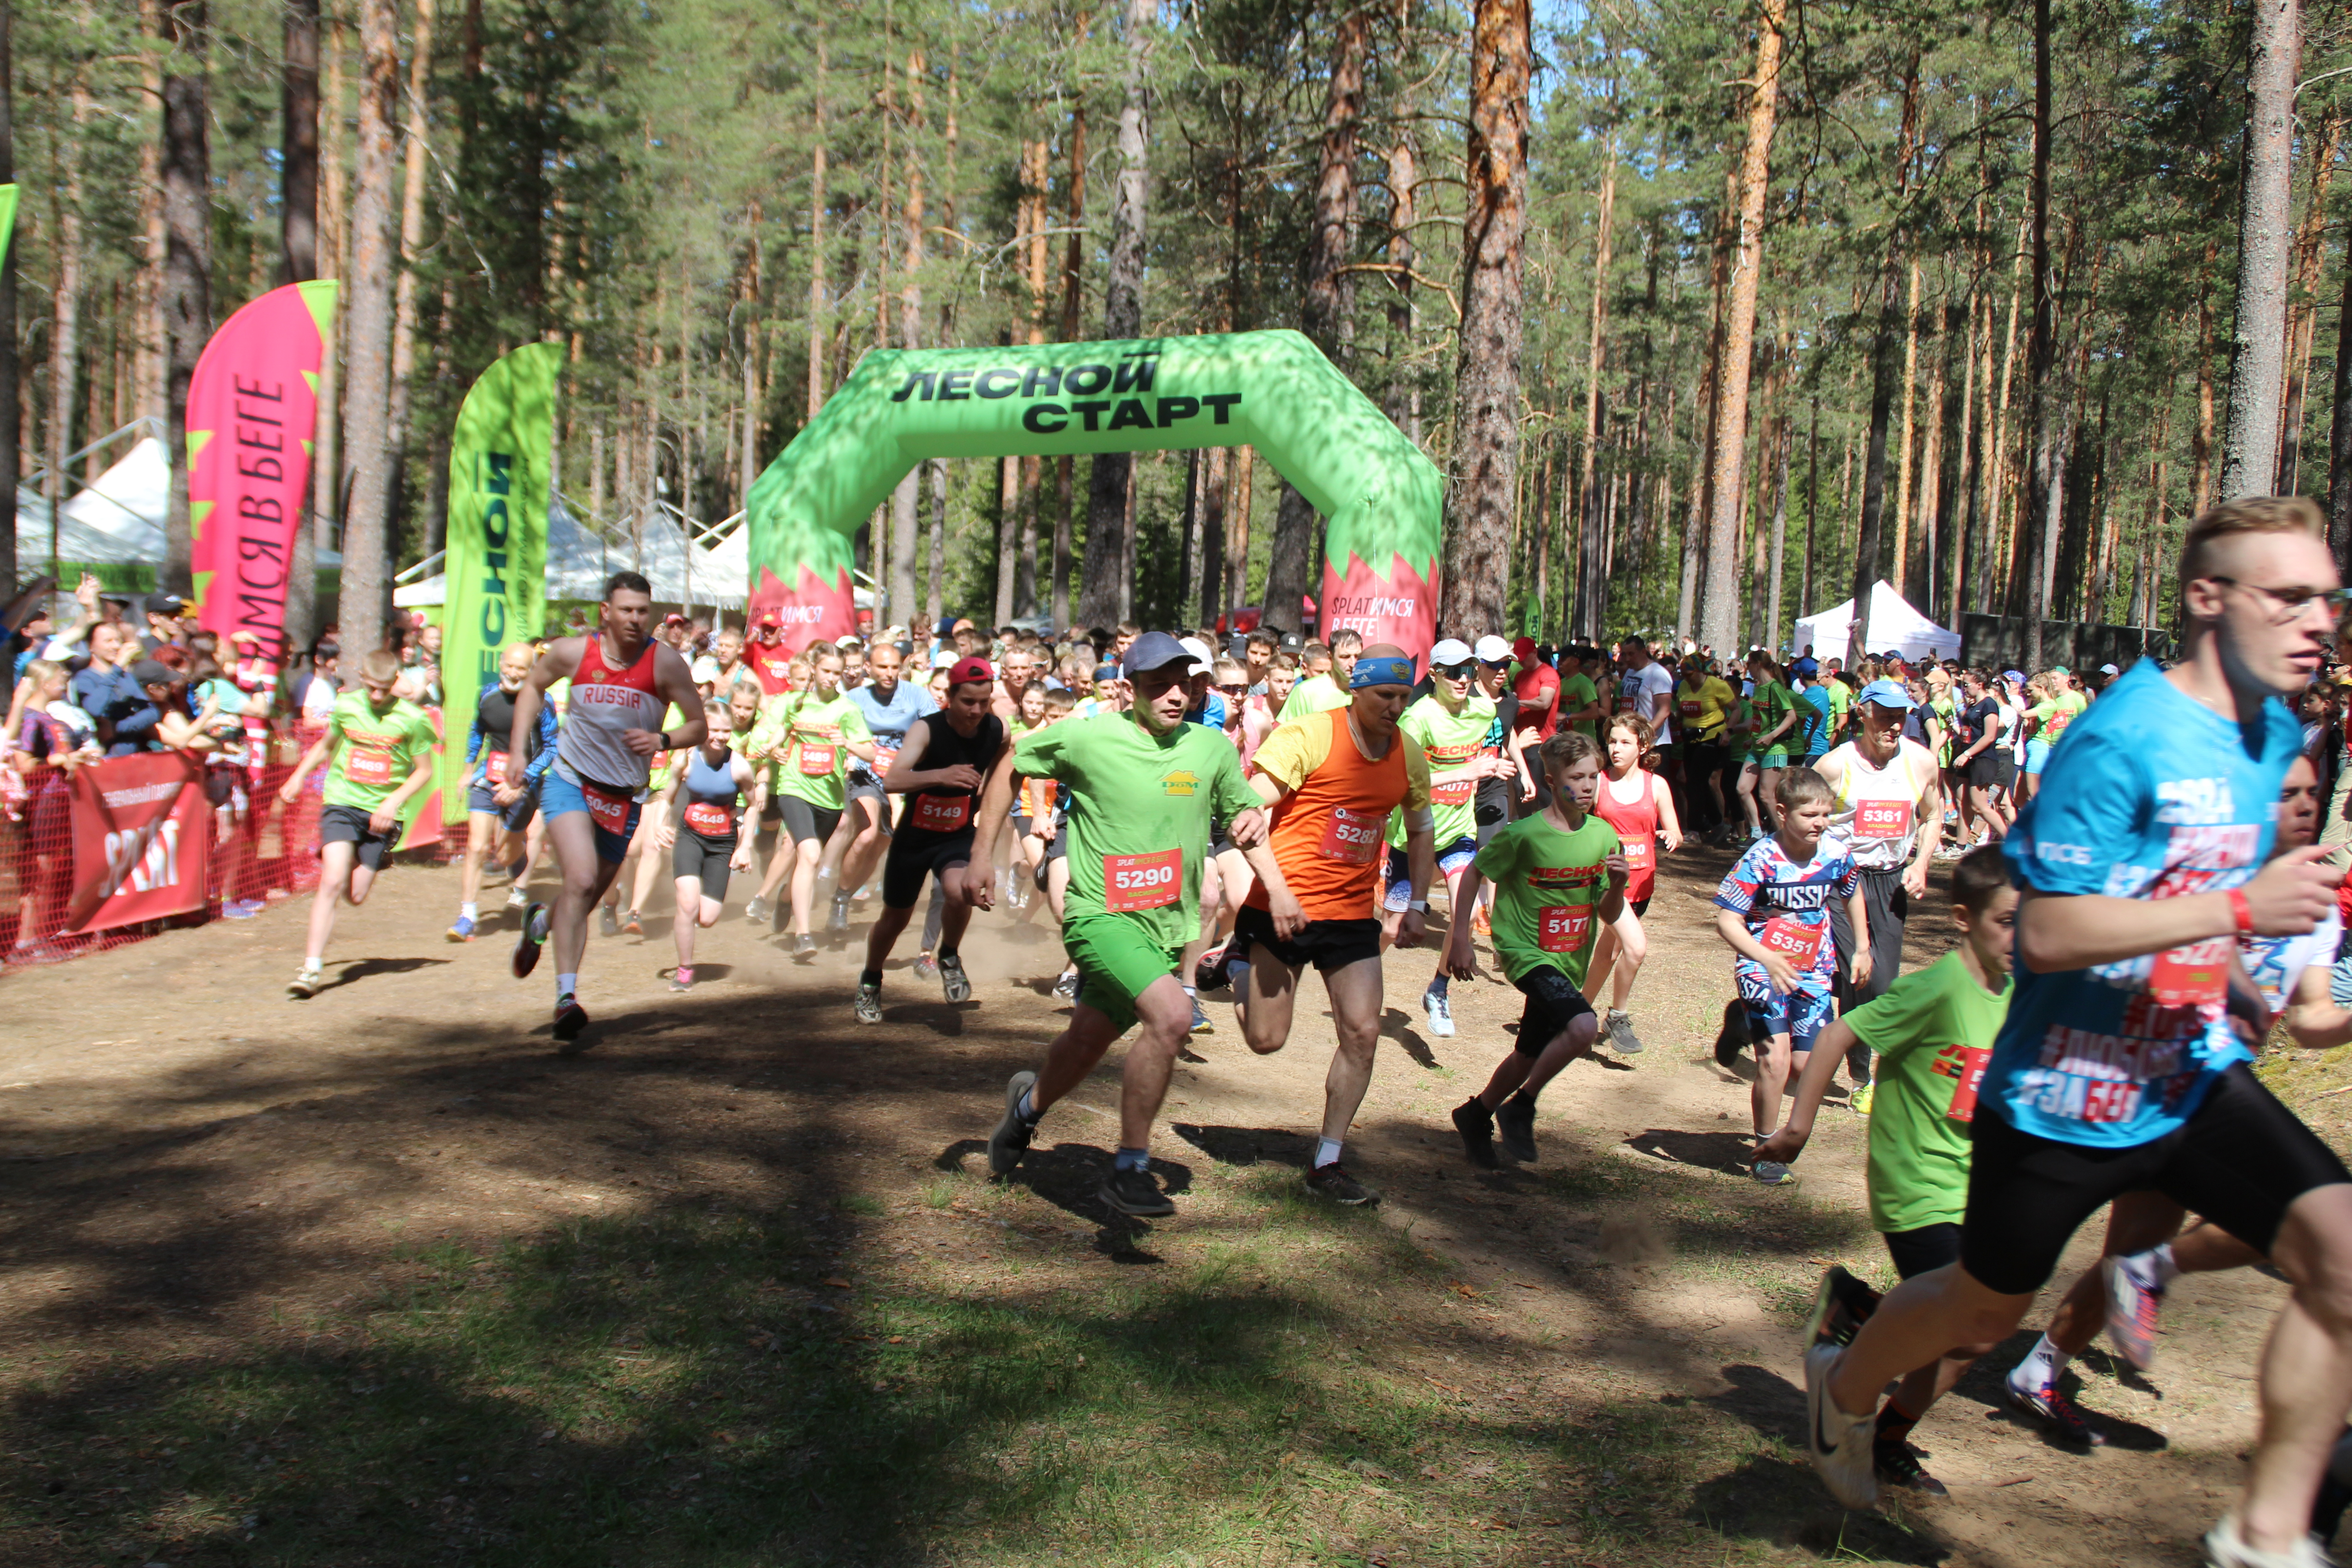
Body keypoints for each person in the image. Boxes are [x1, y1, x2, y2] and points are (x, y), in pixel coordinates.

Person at [1798, 498, 2352, 1568]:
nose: (2318, 619)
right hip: (2064, 1094)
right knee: (1974, 1314)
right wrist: (2239, 913)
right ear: (2206, 598)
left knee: (2342, 1255)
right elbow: (2047, 931)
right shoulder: (2120, 736)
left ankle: (2267, 1532)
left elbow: (2194, 884)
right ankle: (1847, 1377)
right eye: (2286, 595)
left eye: (2327, 596)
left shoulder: (2277, 727)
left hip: (2189, 1071)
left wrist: (2240, 968)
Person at [1994, 752, 2352, 1441]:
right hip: (2140, 1082)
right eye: (2286, 793)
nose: (2306, 806)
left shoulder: (2315, 909)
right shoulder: (2200, 875)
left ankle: (2044, 1362)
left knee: (2154, 1243)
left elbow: (2309, 1021)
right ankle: (1959, 1343)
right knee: (2011, 1278)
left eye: (2314, 792)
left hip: (2214, 1099)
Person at [978, 632, 1275, 1218]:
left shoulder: (1210, 748)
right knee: (1170, 1016)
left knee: (1086, 1042)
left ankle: (1025, 1111)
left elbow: (1244, 814)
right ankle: (1130, 1167)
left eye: (1182, 684)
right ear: (1129, 688)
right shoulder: (1090, 737)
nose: (1172, 695)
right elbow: (1013, 760)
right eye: (1157, 684)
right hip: (1099, 917)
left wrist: (1271, 875)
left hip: (1163, 930)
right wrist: (977, 855)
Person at [1753, 843, 2015, 1494]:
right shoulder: (1937, 988)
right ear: (1963, 917)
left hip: (1973, 1189)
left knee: (1964, 1339)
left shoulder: (2017, 995)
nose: (2021, 936)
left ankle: (1881, 1397)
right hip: (1916, 1182)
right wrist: (1799, 1129)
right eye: (2006, 921)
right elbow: (1841, 1036)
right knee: (1964, 1318)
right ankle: (1863, 1337)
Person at [1229, 643, 1437, 1206]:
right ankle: (1234, 964)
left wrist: (1416, 903)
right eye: (1384, 696)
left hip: (1350, 914)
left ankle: (1327, 1161)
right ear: (1356, 689)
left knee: (1363, 1032)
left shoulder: (1409, 755)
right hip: (1283, 906)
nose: (1396, 706)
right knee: (1267, 1041)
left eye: (1403, 696)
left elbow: (1420, 832)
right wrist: (1270, 879)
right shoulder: (1309, 736)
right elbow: (1252, 812)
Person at [507, 572, 708, 1044]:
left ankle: (540, 920)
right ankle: (567, 1000)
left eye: (643, 611)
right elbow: (534, 688)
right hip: (571, 782)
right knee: (578, 879)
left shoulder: (667, 665)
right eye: (626, 610)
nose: (635, 619)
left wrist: (663, 739)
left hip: (625, 797)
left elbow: (698, 725)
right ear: (606, 612)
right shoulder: (573, 652)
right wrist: (519, 751)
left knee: (582, 899)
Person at [1443, 730, 1630, 1168]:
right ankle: (1521, 1107)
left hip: (1570, 961)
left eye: (1594, 777)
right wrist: (1460, 940)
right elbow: (1473, 874)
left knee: (1528, 1053)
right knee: (1583, 1027)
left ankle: (1476, 1113)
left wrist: (1618, 885)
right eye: (1577, 777)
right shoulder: (1524, 835)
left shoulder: (1603, 837)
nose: (1587, 787)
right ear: (1550, 781)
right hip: (1526, 953)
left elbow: (1606, 910)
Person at [1713, 766, 1868, 1183]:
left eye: (1825, 815)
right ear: (1782, 813)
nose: (1820, 823)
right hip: (1761, 968)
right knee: (1774, 1062)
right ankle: (1766, 1151)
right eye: (1810, 816)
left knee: (1806, 1066)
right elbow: (1727, 921)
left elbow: (1853, 892)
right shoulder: (1761, 859)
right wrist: (1766, 958)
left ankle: (1741, 1024)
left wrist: (1863, 947)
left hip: (1813, 971)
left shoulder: (1835, 854)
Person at [854, 657, 1011, 1021]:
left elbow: (1003, 759)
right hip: (914, 837)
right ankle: (870, 980)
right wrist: (941, 775)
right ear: (949, 699)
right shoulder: (926, 730)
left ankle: (949, 956)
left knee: (961, 891)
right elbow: (892, 780)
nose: (976, 710)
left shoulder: (997, 730)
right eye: (968, 702)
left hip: (956, 835)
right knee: (894, 918)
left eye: (984, 702)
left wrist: (987, 790)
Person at [278, 650, 440, 999]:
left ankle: (370, 857)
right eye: (372, 689)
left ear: (396, 682)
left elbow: (424, 770)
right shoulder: (348, 706)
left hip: (383, 813)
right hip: (342, 802)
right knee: (332, 881)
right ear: (361, 680)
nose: (378, 697)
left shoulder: (412, 718)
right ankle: (311, 969)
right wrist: (297, 777)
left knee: (357, 895)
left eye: (384, 689)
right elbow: (325, 746)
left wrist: (393, 801)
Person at [1814, 677, 1942, 1109]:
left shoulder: (1922, 762)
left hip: (1891, 881)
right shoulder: (1835, 765)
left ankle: (1839, 1043)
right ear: (1863, 712)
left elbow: (1933, 815)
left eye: (1900, 716)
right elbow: (1802, 813)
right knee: (1858, 972)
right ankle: (1861, 1076)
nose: (1893, 725)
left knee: (1884, 983)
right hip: (1843, 880)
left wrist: (1920, 863)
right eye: (1885, 716)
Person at [1387, 638, 1502, 1040]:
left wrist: (1496, 763)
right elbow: (1402, 780)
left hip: (1458, 831)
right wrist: (1464, 773)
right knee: (1390, 929)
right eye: (1452, 672)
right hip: (1415, 835)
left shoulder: (1484, 710)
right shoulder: (1417, 719)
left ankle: (1438, 989)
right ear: (1433, 674)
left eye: (1468, 671)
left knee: (1467, 914)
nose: (1462, 680)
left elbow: (1487, 752)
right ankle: (1356, 978)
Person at [744, 639, 876, 952]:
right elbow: (782, 729)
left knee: (808, 861)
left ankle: (786, 898)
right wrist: (771, 748)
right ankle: (804, 936)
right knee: (810, 854)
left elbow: (869, 752)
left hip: (829, 797)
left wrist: (846, 742)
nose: (831, 678)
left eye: (837, 673)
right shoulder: (795, 702)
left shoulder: (847, 709)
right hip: (794, 788)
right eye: (826, 671)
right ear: (814, 669)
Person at [1585, 713, 1680, 1055]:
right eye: (1612, 741)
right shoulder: (1597, 782)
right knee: (1635, 948)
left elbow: (1675, 830)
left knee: (1609, 951)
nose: (1616, 749)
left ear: (1643, 746)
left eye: (1625, 742)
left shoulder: (1656, 785)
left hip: (1642, 886)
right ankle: (1618, 1016)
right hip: (1608, 886)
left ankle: (1577, 1013)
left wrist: (1670, 835)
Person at [450, 643, 556, 940]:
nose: (513, 673)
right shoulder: (487, 695)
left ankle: (518, 858)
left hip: (525, 786)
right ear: (500, 663)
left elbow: (552, 749)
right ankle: (467, 916)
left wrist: (521, 782)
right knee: (476, 847)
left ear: (531, 671)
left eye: (521, 668)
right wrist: (468, 770)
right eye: (509, 666)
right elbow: (477, 730)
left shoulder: (542, 703)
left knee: (505, 854)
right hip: (489, 777)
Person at [833, 640, 938, 928]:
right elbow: (838, 733)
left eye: (895, 667)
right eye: (882, 667)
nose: (889, 673)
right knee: (866, 834)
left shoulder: (916, 696)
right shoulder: (855, 698)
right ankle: (840, 902)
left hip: (903, 779)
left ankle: (846, 891)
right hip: (864, 773)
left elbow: (935, 731)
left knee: (880, 846)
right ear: (869, 667)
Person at [658, 697, 756, 992]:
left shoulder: (739, 767)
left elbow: (753, 806)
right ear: (702, 729)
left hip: (722, 844)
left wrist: (745, 846)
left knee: (708, 917)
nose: (720, 737)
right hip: (690, 836)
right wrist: (658, 824)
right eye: (714, 730)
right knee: (687, 903)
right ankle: (685, 969)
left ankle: (689, 930)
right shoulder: (685, 760)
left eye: (726, 731)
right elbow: (667, 796)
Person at [1674, 654, 1739, 842]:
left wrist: (1729, 732)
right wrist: (1675, 717)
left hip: (1712, 738)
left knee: (1695, 781)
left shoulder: (1717, 686)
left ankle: (1696, 828)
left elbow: (1736, 709)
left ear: (1700, 671)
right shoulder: (1684, 686)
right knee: (1695, 783)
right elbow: (1682, 711)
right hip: (1691, 739)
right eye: (1683, 674)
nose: (1686, 678)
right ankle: (1719, 825)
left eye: (1690, 674)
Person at [1736, 651, 1798, 840]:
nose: (1748, 669)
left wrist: (1771, 736)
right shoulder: (1759, 688)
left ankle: (1783, 836)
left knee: (1766, 795)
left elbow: (1792, 716)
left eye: (1750, 665)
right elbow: (1760, 718)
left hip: (1775, 749)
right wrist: (1752, 737)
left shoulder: (1775, 688)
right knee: (1742, 789)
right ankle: (1757, 831)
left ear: (1757, 665)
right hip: (1757, 747)